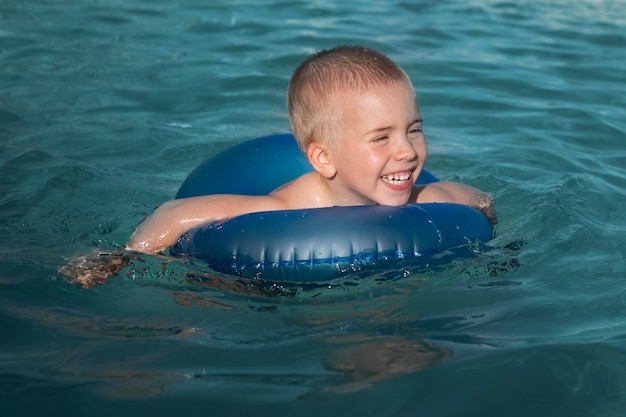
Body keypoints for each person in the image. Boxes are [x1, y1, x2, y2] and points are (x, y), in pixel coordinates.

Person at [62, 45, 496, 287]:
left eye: (414, 130)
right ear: (324, 157)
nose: (407, 151)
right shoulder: (286, 204)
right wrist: (118, 258)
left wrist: (489, 218)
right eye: (382, 137)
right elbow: (176, 213)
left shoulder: (425, 197)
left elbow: (472, 197)